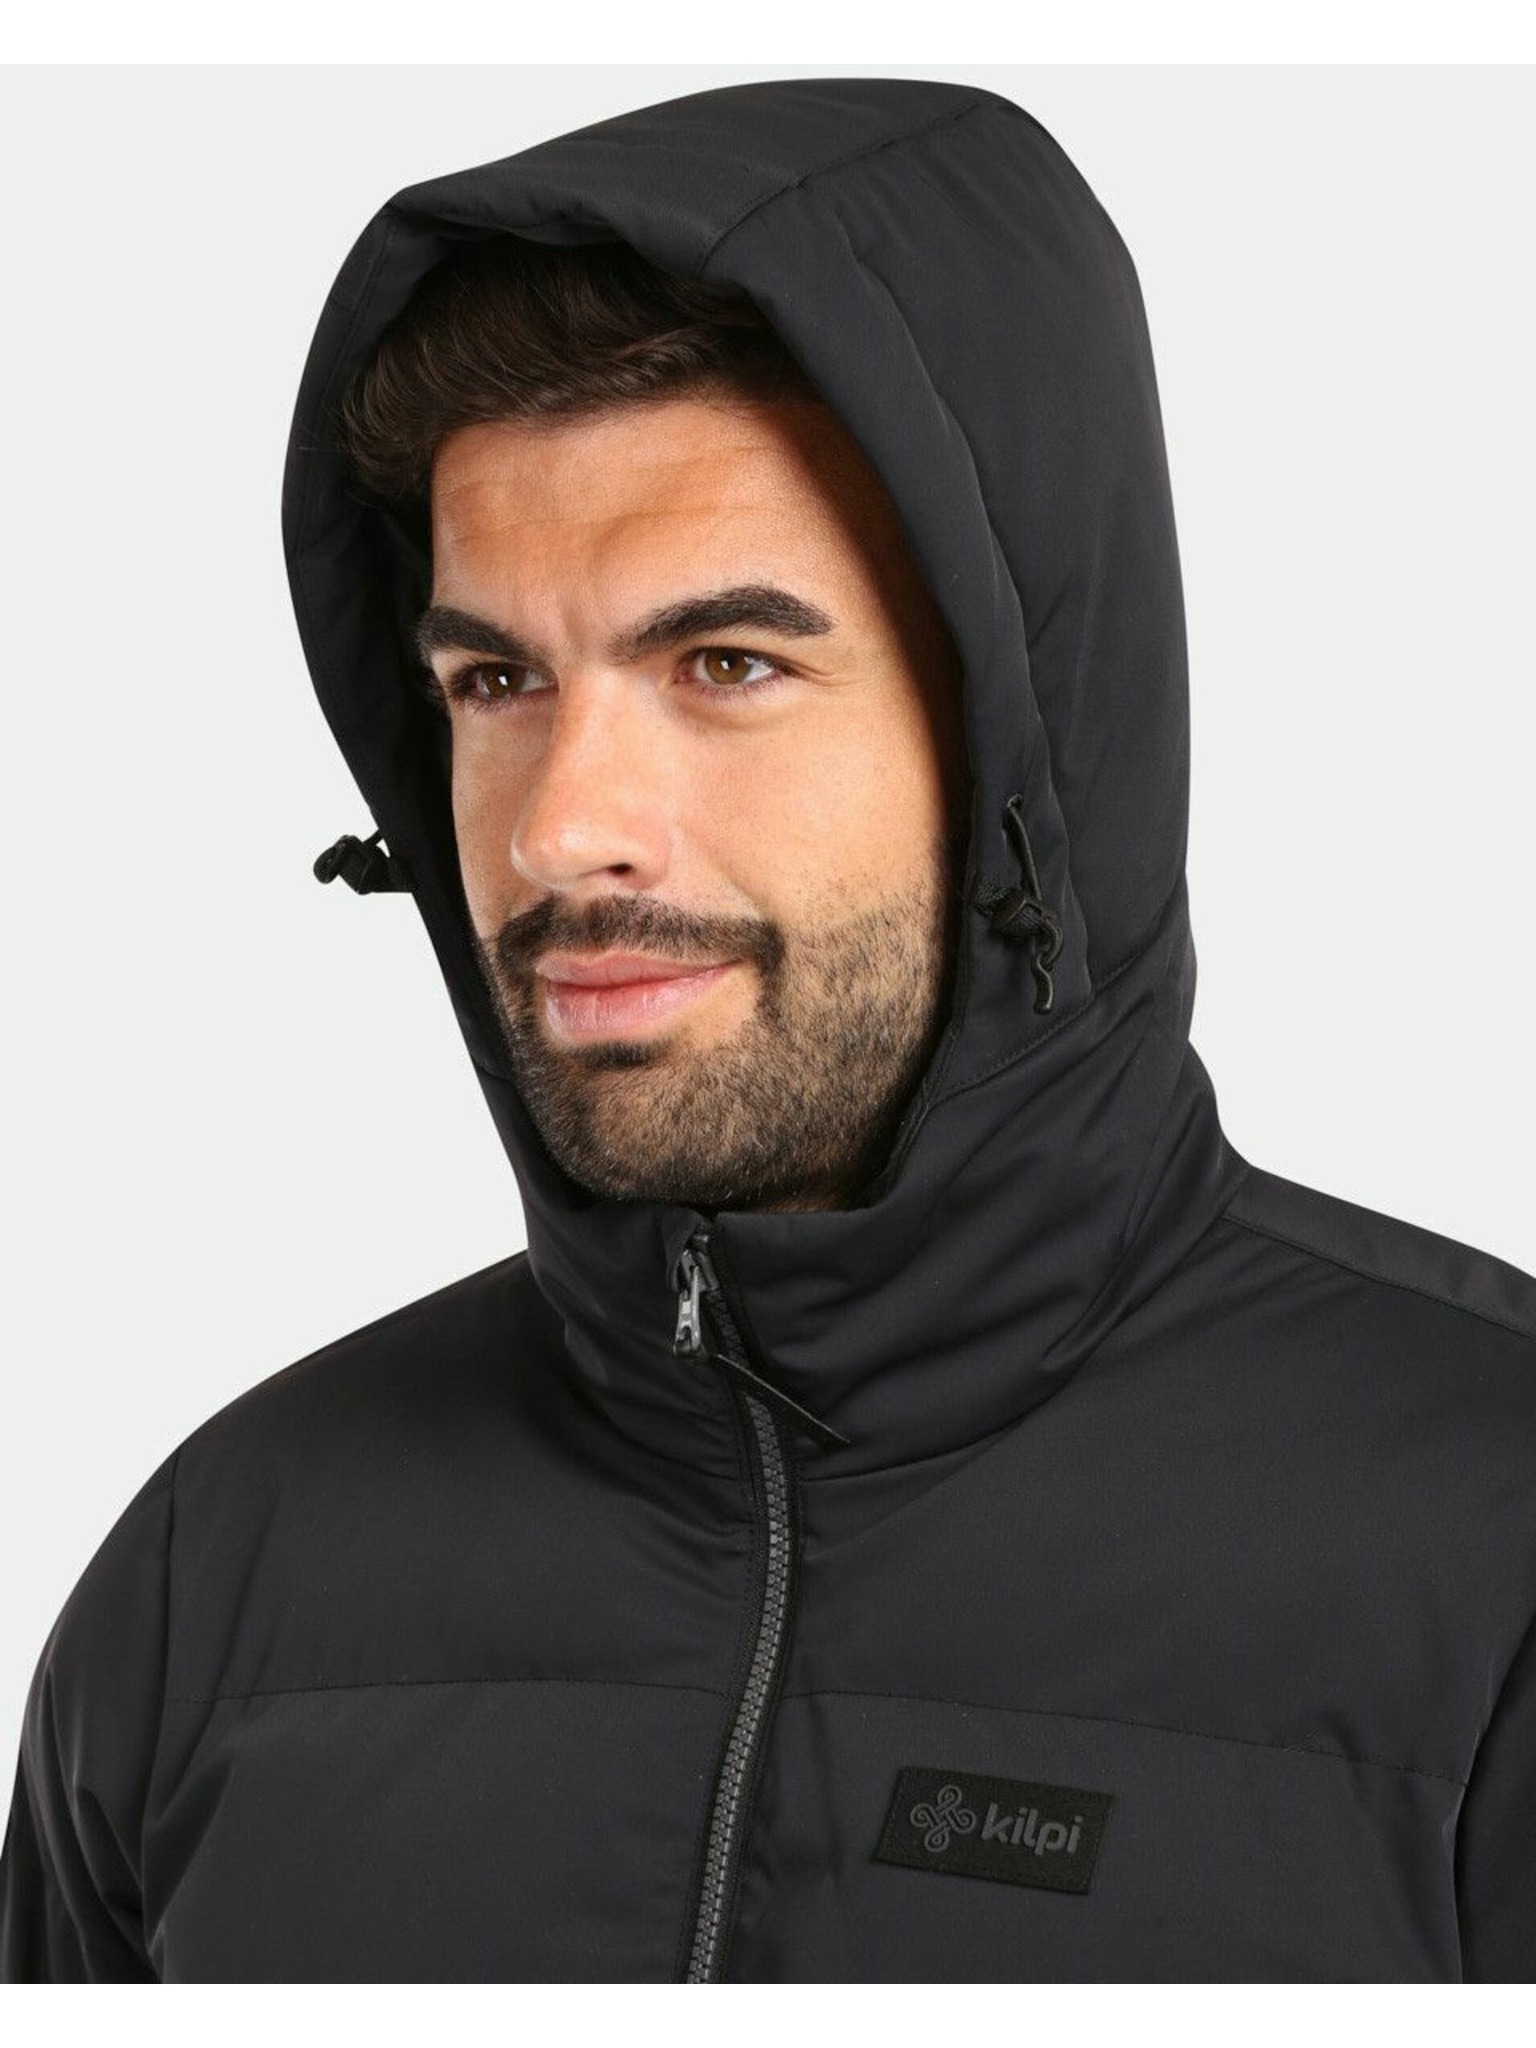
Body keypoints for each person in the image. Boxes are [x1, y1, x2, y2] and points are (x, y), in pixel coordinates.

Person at [2, 73, 1533, 1985]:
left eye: (725, 662)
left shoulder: (1490, 1552)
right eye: (497, 681)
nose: (559, 830)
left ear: (1022, 750)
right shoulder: (217, 1583)